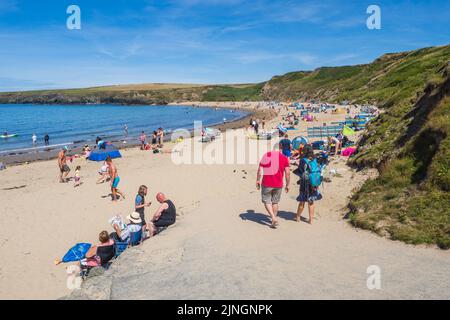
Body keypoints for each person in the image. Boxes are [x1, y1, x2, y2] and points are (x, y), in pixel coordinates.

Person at [256, 148, 290, 229]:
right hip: (278, 184)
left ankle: (273, 218)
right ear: (280, 149)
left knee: (267, 201)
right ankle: (273, 219)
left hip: (267, 183)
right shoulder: (284, 158)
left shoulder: (266, 155)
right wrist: (288, 185)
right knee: (275, 202)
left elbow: (260, 171)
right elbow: (287, 173)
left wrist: (257, 180)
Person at [295, 146, 322, 224]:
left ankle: (298, 217)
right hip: (314, 181)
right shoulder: (315, 159)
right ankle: (311, 220)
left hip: (305, 182)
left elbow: (300, 170)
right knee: (311, 201)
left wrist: (297, 164)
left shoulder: (303, 160)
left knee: (302, 200)